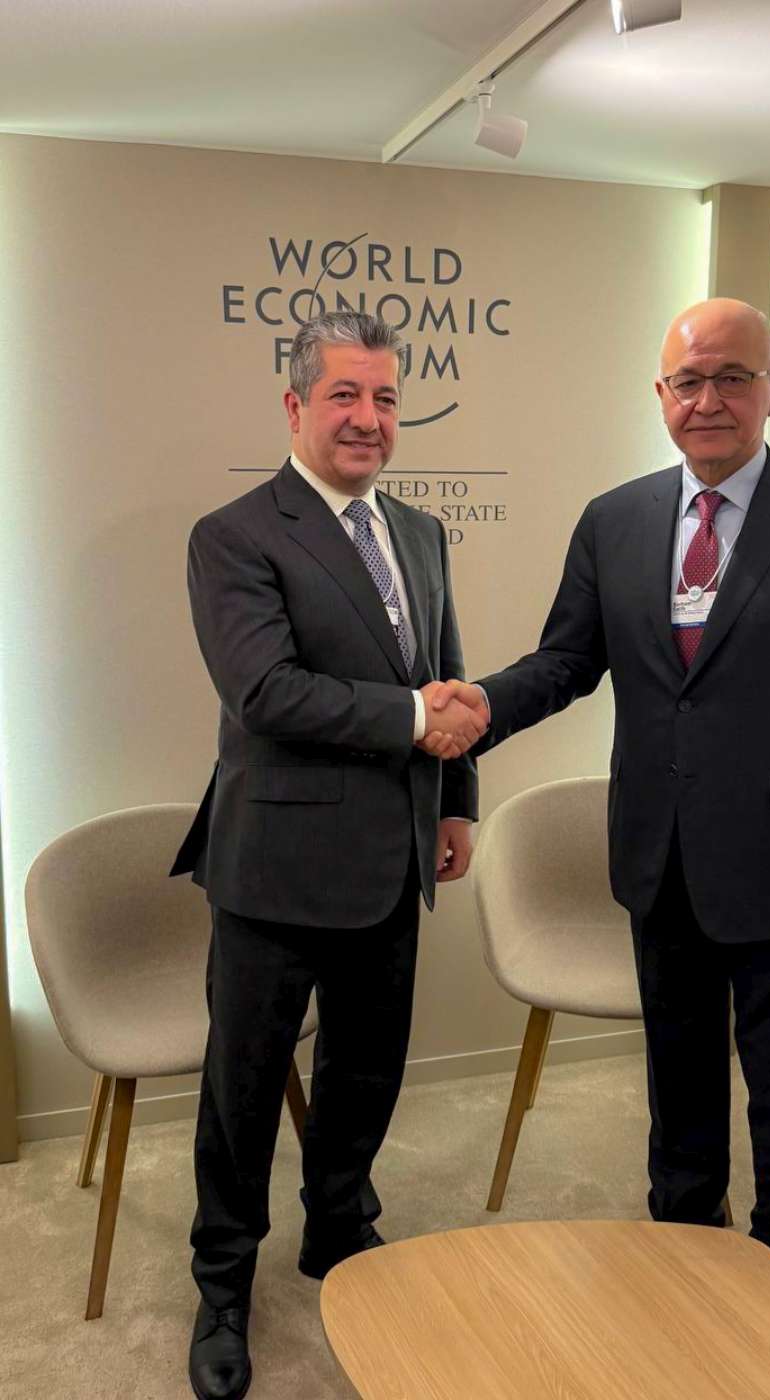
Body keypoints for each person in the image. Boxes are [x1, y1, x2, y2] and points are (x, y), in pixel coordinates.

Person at [428, 297, 770, 1287]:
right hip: (660, 860)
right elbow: (567, 659)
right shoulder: (615, 519)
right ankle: (685, 1249)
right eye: (687, 381)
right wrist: (482, 704)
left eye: (732, 377)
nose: (708, 400)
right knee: (678, 1079)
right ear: (659, 395)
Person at [171, 311, 483, 1400]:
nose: (367, 418)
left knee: (365, 1069)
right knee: (244, 1089)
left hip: (393, 856)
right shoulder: (234, 534)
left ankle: (338, 1225)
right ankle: (222, 1284)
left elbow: (445, 674)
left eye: (385, 398)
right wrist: (415, 719)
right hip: (274, 867)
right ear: (296, 405)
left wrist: (456, 804)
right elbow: (266, 691)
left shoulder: (421, 533)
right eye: (344, 394)